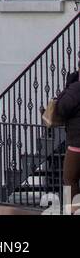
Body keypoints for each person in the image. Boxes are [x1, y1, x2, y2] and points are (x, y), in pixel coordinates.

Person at [55, 68, 80, 212]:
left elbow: (61, 108)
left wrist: (68, 86)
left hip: (77, 144)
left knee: (70, 180)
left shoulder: (76, 88)